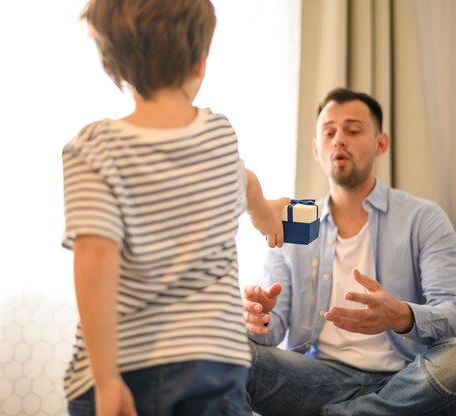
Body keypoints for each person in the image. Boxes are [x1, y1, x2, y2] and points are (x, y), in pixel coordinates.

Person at [61, 1, 288, 415]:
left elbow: (94, 258)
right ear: (201, 61)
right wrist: (267, 214)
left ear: (112, 63)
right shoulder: (220, 137)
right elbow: (248, 183)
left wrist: (107, 379)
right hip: (209, 366)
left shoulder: (93, 148)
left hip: (123, 365)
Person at [243, 88, 456, 416]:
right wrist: (256, 319)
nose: (339, 140)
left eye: (354, 130)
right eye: (329, 132)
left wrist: (403, 316)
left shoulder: (423, 218)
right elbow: (272, 330)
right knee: (225, 348)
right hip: (314, 380)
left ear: (381, 143)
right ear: (316, 149)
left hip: (405, 380)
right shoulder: (290, 223)